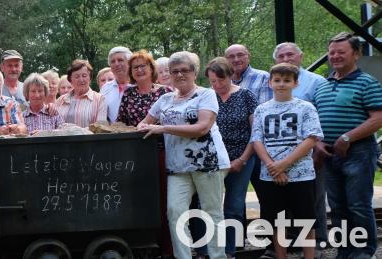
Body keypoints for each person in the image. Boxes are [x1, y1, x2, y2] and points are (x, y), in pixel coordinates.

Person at [137, 51, 229, 259]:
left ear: (194, 73)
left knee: (212, 213)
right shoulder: (165, 99)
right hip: (177, 167)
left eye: (184, 70)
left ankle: (218, 256)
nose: (179, 75)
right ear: (169, 74)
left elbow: (202, 127)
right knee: (175, 212)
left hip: (208, 163)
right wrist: (142, 127)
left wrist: (164, 128)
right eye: (174, 71)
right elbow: (144, 123)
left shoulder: (206, 94)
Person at [314, 32, 382, 258]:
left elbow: (378, 118)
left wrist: (347, 138)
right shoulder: (323, 86)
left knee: (358, 205)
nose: (335, 56)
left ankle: (363, 252)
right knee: (338, 208)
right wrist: (318, 144)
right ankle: (345, 250)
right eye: (332, 52)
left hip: (359, 152)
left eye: (341, 52)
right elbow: (315, 121)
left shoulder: (367, 82)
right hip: (330, 155)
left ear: (356, 54)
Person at [252, 63, 322, 259]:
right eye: (277, 80)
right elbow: (257, 140)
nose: (281, 84)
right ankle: (280, 256)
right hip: (270, 175)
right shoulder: (261, 109)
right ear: (270, 82)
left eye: (286, 80)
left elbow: (311, 138)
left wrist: (284, 164)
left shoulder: (305, 107)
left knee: (306, 220)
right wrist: (272, 167)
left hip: (301, 174)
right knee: (276, 221)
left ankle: (309, 256)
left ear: (295, 83)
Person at [272, 41, 330, 252]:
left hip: (311, 150)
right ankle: (295, 244)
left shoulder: (317, 81)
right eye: (281, 56)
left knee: (313, 199)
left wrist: (318, 146)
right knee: (287, 201)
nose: (286, 59)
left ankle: (319, 245)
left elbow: (323, 116)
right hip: (279, 154)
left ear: (301, 56)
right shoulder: (275, 82)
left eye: (290, 55)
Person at [206, 57, 258, 258]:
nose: (217, 85)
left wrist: (243, 159)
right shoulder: (207, 96)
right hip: (214, 160)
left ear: (231, 76)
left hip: (241, 157)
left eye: (221, 80)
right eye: (213, 82)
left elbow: (256, 133)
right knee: (210, 206)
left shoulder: (246, 96)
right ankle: (212, 248)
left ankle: (231, 250)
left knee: (234, 206)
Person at [116, 50, 171, 126]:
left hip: (161, 136)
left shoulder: (165, 92)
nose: (139, 70)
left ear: (151, 68)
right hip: (134, 137)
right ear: (131, 72)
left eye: (143, 66)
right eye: (135, 67)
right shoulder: (128, 94)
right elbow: (121, 122)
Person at [55, 59, 108, 128]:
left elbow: (100, 127)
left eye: (84, 75)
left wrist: (76, 133)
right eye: (77, 76)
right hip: (62, 139)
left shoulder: (100, 99)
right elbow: (53, 124)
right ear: (70, 80)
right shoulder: (61, 100)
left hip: (89, 139)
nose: (81, 79)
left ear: (90, 78)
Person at [100, 46, 133, 123]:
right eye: (113, 61)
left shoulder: (139, 85)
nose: (116, 64)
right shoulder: (105, 88)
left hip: (139, 133)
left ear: (129, 63)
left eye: (120, 60)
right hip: (112, 133)